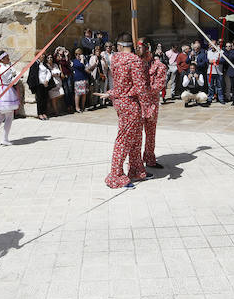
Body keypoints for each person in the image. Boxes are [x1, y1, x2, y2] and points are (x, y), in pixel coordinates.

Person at [97, 33, 147, 188]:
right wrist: (146, 104)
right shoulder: (134, 60)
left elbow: (119, 85)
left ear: (119, 46)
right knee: (125, 138)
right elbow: (140, 87)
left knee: (135, 137)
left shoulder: (116, 59)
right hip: (130, 103)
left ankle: (136, 169)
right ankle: (116, 175)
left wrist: (112, 93)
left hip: (120, 101)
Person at [139, 38, 167, 172]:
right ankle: (135, 162)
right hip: (137, 104)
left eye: (140, 47)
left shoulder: (159, 66)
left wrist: (146, 88)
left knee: (150, 134)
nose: (137, 50)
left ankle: (150, 158)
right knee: (136, 135)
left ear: (148, 48)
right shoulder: (135, 64)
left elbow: (159, 84)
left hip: (150, 104)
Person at [71, 48, 89, 113]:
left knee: (84, 93)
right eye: (77, 54)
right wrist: (82, 60)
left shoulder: (84, 60)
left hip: (84, 78)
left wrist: (83, 60)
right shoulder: (74, 61)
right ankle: (77, 107)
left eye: (80, 54)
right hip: (78, 79)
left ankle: (83, 107)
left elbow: (87, 67)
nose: (78, 55)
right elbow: (81, 66)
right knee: (78, 94)